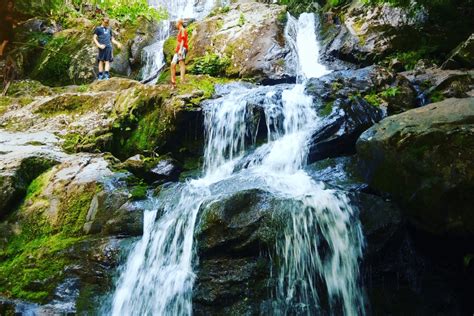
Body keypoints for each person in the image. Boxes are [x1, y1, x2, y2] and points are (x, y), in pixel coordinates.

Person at [171, 19, 188, 87]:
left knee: (181, 62)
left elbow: (183, 40)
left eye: (176, 23)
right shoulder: (180, 31)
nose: (175, 24)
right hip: (178, 50)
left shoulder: (183, 30)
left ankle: (182, 80)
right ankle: (173, 81)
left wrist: (180, 49)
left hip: (182, 48)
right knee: (172, 64)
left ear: (179, 23)